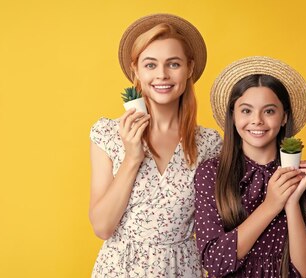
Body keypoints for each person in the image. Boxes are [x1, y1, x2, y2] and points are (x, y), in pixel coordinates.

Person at [89, 14, 222, 277]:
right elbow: (103, 227)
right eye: (150, 65)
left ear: (189, 68)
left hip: (182, 269)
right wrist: (132, 158)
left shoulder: (210, 144)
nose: (162, 75)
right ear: (135, 70)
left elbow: (224, 218)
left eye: (173, 64)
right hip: (119, 270)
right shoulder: (107, 134)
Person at [194, 56, 306, 277]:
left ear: (284, 117)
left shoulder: (305, 179)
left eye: (269, 111)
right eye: (246, 110)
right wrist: (271, 204)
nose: (257, 120)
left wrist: (292, 201)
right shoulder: (212, 173)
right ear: (233, 116)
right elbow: (215, 262)